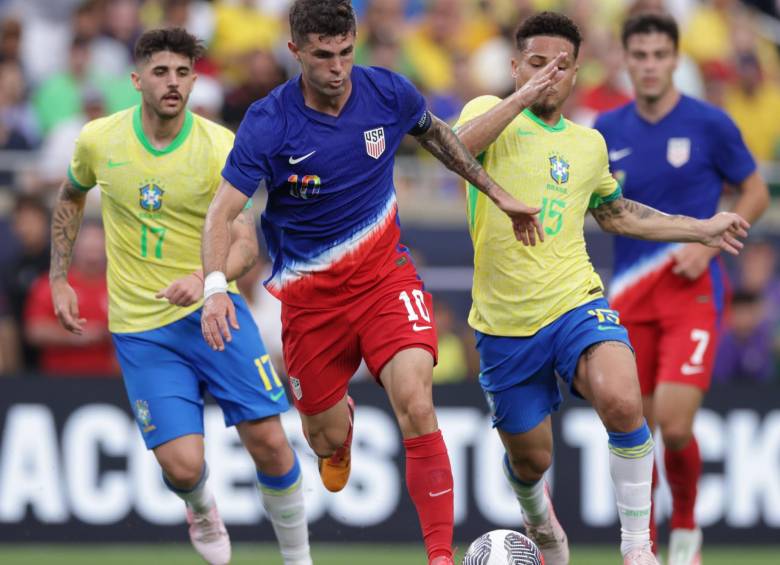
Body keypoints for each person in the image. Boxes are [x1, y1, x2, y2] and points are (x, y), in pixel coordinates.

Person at [199, 2, 545, 564]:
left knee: (416, 401)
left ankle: (439, 555)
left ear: (355, 41)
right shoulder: (270, 122)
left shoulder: (388, 92)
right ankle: (340, 435)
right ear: (296, 52)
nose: (337, 67)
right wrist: (216, 286)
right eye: (322, 55)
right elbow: (221, 213)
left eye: (345, 51)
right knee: (325, 441)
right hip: (311, 303)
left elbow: (439, 139)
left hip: (385, 280)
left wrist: (496, 192)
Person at [454, 11, 750, 565]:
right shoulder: (486, 113)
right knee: (531, 462)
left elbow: (617, 214)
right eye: (537, 64)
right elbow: (454, 146)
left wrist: (701, 227)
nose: (549, 75)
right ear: (516, 65)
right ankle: (540, 520)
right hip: (504, 324)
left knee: (621, 396)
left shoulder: (588, 143)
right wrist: (521, 96)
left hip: (575, 302)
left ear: (577, 73)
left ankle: (638, 549)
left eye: (561, 66)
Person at [49, 28, 311, 565]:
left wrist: (205, 279)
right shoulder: (99, 139)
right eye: (162, 72)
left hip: (215, 313)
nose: (173, 83)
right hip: (142, 330)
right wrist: (59, 277)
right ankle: (199, 506)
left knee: (271, 444)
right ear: (136, 79)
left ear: (195, 79)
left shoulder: (220, 147)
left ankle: (297, 558)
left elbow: (246, 243)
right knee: (185, 466)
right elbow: (71, 196)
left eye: (184, 73)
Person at [594, 12, 769, 564]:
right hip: (629, 295)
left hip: (692, 292)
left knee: (673, 425)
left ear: (676, 60)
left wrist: (712, 241)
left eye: (659, 55)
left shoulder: (709, 124)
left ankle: (687, 530)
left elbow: (755, 191)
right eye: (639, 55)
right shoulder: (604, 131)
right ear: (625, 59)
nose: (649, 66)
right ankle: (640, 546)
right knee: (634, 428)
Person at [25, 221, 117, 377]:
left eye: (97, 249)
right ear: (75, 250)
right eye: (87, 249)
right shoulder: (54, 285)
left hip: (110, 379)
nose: (92, 256)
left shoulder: (119, 286)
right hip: (60, 378)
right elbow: (34, 330)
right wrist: (75, 337)